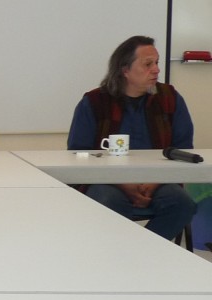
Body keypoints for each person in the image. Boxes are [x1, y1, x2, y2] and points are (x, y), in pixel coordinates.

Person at [67, 35, 196, 240]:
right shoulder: (94, 102)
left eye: (157, 63)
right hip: (107, 181)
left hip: (159, 180)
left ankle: (139, 253)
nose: (156, 70)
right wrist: (121, 182)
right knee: (108, 202)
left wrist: (155, 181)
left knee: (183, 205)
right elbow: (78, 153)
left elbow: (183, 148)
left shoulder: (169, 98)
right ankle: (131, 254)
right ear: (125, 70)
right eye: (148, 64)